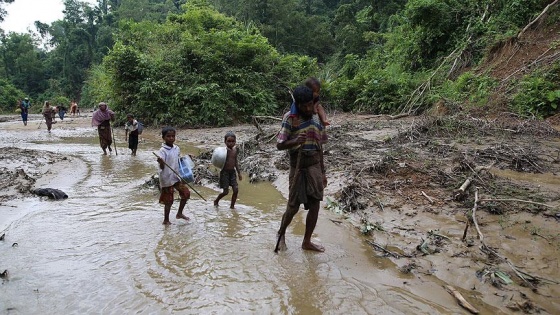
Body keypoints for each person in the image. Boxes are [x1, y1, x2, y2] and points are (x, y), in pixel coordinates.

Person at [276, 85, 328, 252]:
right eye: (304, 106)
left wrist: (323, 172)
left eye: (309, 104)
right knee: (293, 206)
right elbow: (280, 145)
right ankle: (281, 233)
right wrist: (296, 140)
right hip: (297, 165)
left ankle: (306, 241)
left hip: (314, 164)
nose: (307, 108)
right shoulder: (290, 118)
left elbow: (320, 146)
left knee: (315, 203)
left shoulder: (316, 117)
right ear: (297, 104)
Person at [155, 126, 191, 225]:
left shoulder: (176, 148)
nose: (171, 138)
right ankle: (166, 220)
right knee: (168, 200)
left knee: (186, 193)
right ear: (163, 137)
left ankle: (179, 213)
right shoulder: (162, 150)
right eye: (168, 136)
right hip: (166, 179)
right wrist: (161, 162)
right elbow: (162, 167)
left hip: (176, 176)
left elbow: (178, 162)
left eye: (173, 136)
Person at [213, 131, 243, 209]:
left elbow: (235, 162)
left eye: (233, 141)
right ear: (225, 142)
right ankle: (216, 200)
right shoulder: (223, 152)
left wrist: (239, 173)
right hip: (224, 173)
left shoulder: (235, 151)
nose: (231, 143)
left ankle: (232, 206)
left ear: (235, 142)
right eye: (228, 141)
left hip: (232, 172)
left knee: (236, 190)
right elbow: (218, 160)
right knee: (225, 192)